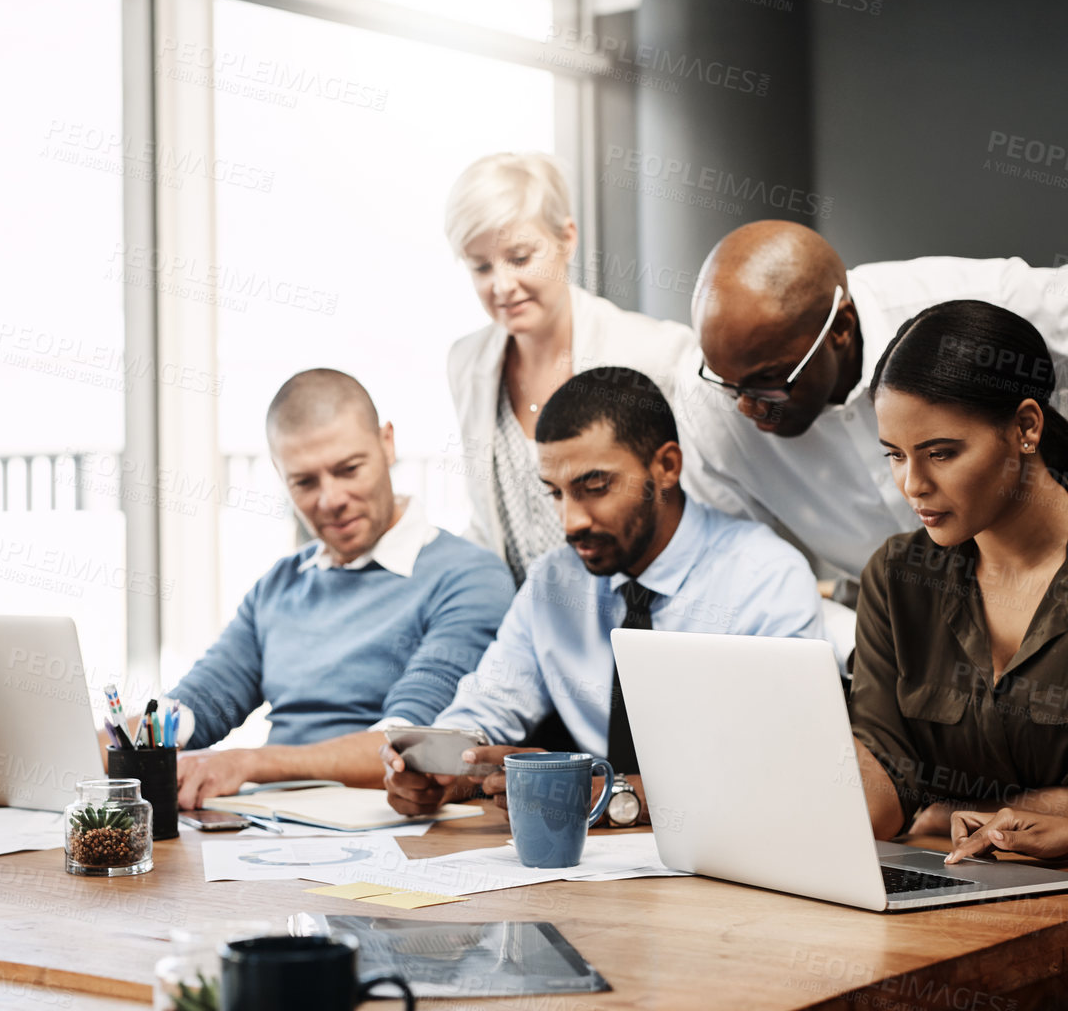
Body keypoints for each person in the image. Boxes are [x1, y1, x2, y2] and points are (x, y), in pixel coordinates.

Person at [840, 301, 1068, 860]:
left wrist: (943, 814)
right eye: (895, 455)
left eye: (941, 453)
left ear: (1025, 427)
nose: (912, 484)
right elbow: (886, 797)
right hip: (951, 883)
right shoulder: (897, 578)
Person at [680, 220, 1068, 584]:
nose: (747, 408)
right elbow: (747, 581)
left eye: (771, 381)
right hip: (915, 646)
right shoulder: (711, 406)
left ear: (841, 328)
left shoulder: (971, 304)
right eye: (729, 385)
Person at [384, 367, 826, 823]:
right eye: (555, 493)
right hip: (588, 864)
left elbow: (782, 765)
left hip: (732, 852)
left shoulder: (767, 579)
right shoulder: (554, 583)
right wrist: (442, 770)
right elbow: (488, 704)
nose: (571, 521)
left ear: (667, 466)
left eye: (595, 488)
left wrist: (611, 794)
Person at [164, 369, 514, 808]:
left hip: (391, 830)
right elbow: (194, 706)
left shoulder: (469, 577)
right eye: (304, 482)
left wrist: (248, 763)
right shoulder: (280, 584)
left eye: (349, 469)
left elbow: (405, 747)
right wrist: (108, 742)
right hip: (269, 826)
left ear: (387, 442)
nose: (330, 499)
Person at [444, 152, 698, 587]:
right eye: (481, 267)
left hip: (641, 610)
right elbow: (491, 521)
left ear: (567, 238)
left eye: (520, 257)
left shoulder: (657, 353)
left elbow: (703, 504)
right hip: (528, 621)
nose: (502, 286)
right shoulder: (467, 362)